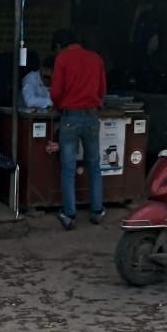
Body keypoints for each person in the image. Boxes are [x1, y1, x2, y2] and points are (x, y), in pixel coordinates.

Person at [50, 28, 107, 230]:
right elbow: (102, 90)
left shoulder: (62, 59)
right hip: (91, 116)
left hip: (70, 118)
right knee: (94, 165)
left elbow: (56, 91)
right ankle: (97, 211)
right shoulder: (96, 59)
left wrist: (58, 106)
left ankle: (69, 214)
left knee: (68, 168)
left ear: (61, 45)